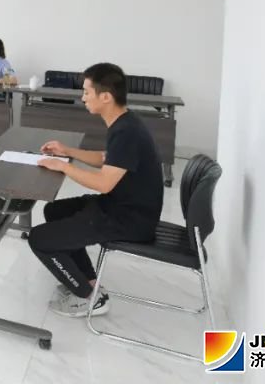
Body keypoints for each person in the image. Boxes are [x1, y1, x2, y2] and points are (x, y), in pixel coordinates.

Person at [27, 63, 164, 317]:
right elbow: (105, 158)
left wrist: (63, 166)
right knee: (55, 211)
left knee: (38, 239)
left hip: (129, 219)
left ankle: (89, 298)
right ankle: (87, 280)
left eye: (86, 92)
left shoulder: (126, 132)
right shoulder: (125, 122)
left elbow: (103, 183)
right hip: (123, 206)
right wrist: (67, 151)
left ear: (106, 97)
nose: (83, 98)